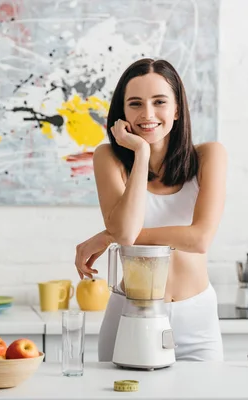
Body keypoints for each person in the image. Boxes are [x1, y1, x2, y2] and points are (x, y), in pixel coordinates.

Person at [74, 58, 227, 362]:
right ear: (122, 113)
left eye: (159, 102)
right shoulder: (109, 157)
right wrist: (141, 152)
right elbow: (126, 232)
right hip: (130, 314)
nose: (147, 114)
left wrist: (108, 237)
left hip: (196, 318)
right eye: (135, 104)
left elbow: (199, 240)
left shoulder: (210, 156)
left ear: (177, 109)